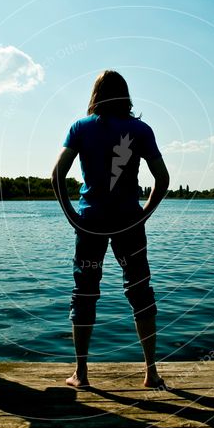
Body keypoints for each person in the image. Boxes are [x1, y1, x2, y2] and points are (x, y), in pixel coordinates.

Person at [52, 70, 170, 389]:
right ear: (126, 96)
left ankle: (82, 373)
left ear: (95, 95)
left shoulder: (80, 128)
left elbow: (56, 175)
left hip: (90, 223)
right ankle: (151, 372)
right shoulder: (140, 129)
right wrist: (144, 215)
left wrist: (71, 216)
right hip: (128, 222)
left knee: (85, 291)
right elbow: (163, 178)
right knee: (140, 290)